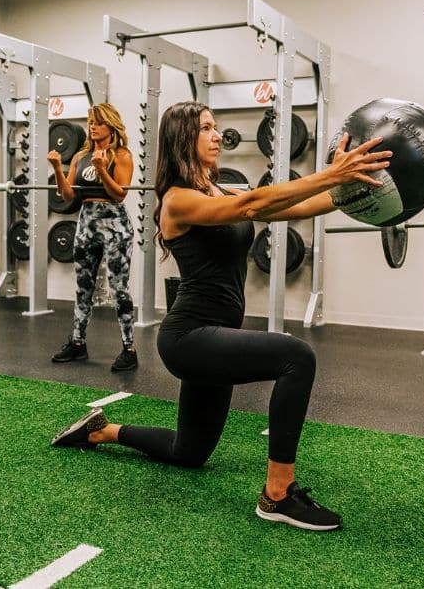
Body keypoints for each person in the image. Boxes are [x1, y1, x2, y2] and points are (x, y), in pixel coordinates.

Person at [51, 101, 392, 531]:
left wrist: (361, 190)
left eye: (216, 127)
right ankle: (278, 495)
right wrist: (331, 173)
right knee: (297, 358)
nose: (217, 135)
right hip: (189, 338)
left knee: (187, 452)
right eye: (207, 128)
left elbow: (300, 207)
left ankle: (101, 430)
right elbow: (252, 206)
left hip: (215, 336)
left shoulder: (220, 190)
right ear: (182, 139)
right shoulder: (178, 201)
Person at [49, 103, 139, 372]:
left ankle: (129, 348)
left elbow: (119, 194)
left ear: (111, 125)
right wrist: (57, 167)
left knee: (118, 288)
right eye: (90, 122)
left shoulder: (122, 155)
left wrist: (102, 169)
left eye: (98, 122)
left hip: (115, 224)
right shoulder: (80, 156)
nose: (93, 126)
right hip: (86, 222)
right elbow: (68, 196)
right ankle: (78, 343)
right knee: (83, 287)